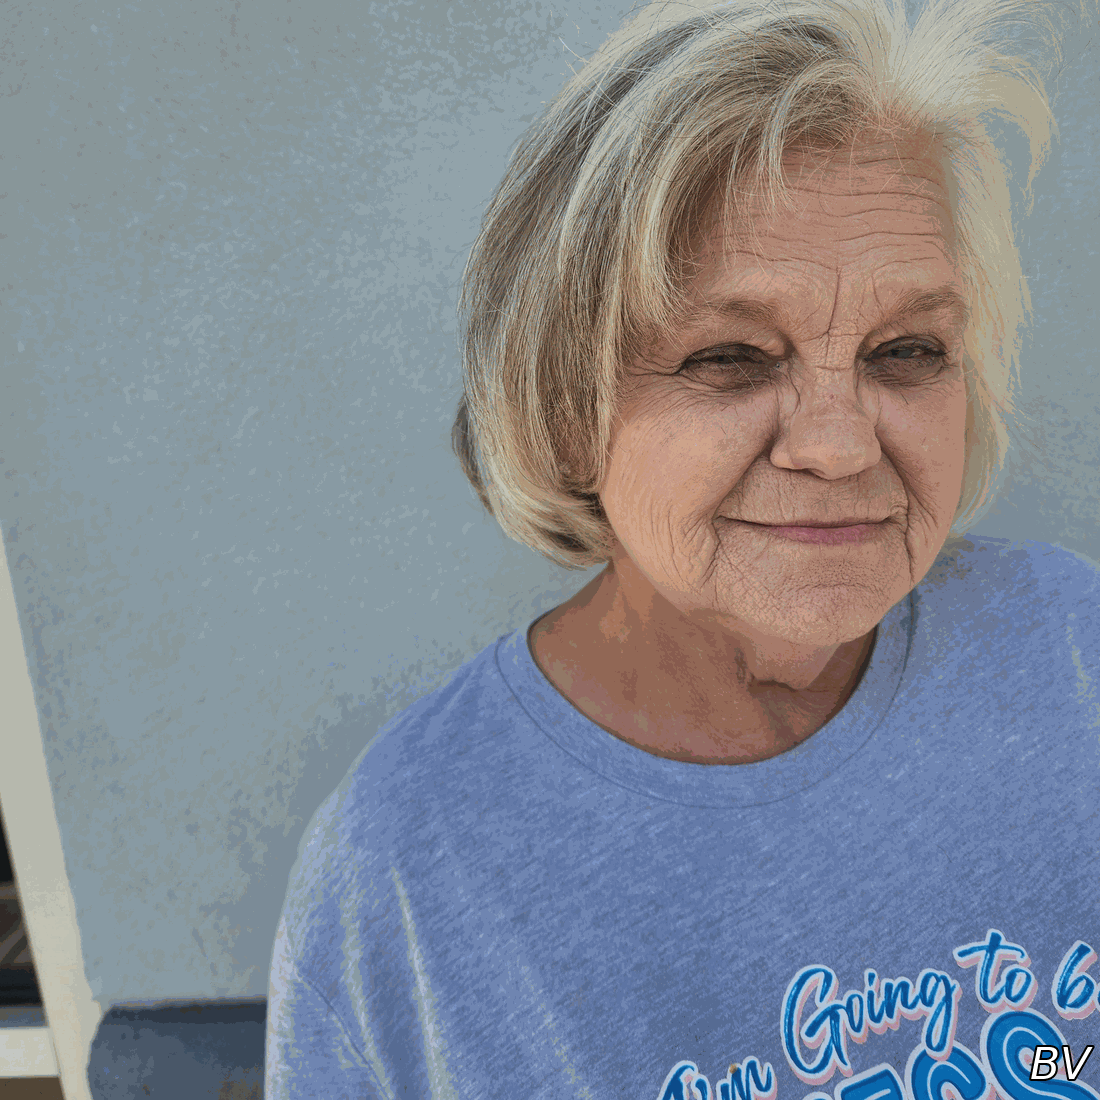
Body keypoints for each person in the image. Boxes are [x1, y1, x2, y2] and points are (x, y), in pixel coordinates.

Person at [266, 0, 1100, 1097]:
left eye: (904, 349)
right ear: (567, 407)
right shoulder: (411, 867)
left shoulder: (1066, 648)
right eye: (729, 357)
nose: (839, 443)